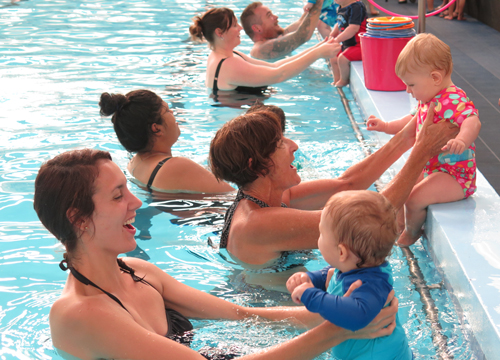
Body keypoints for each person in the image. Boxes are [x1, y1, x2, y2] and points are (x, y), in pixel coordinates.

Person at [33, 149, 400, 360]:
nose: (134, 203)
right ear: (78, 220)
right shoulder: (80, 314)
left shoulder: (138, 270)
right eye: (117, 196)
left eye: (127, 191)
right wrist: (337, 331)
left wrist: (338, 310)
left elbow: (242, 314)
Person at [209, 104, 458, 270]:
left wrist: (409, 134)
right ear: (257, 165)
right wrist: (423, 151)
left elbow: (347, 184)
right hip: (277, 331)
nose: (293, 145)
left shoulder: (270, 196)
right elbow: (373, 217)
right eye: (279, 143)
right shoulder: (255, 223)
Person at [366, 33, 481, 247]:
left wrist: (462, 141)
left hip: (455, 176)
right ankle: (399, 224)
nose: (407, 90)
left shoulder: (454, 99)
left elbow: (472, 121)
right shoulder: (429, 98)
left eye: (411, 84)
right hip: (434, 168)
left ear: (435, 78)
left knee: (414, 198)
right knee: (400, 188)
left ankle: (411, 232)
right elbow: (411, 121)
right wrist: (385, 126)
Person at [287, 190, 412, 360]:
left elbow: (357, 315)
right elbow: (332, 275)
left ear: (341, 252)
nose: (319, 237)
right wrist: (311, 279)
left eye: (321, 233)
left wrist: (312, 295)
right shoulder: (353, 268)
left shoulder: (371, 285)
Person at [99, 89, 234, 193]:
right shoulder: (177, 166)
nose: (173, 112)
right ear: (156, 129)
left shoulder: (135, 163)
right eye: (167, 111)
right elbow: (232, 196)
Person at [189, 7, 340, 99]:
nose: (240, 28)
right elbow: (278, 75)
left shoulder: (228, 55)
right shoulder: (228, 64)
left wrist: (318, 48)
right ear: (219, 32)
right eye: (235, 25)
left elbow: (274, 66)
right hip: (240, 139)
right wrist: (317, 54)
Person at [240, 0, 325, 59]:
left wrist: (313, 3)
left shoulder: (276, 37)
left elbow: (300, 23)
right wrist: (318, 1)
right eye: (269, 15)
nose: (276, 17)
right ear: (257, 28)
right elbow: (303, 35)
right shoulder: (261, 49)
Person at [329, 0, 367, 87]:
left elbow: (353, 28)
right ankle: (336, 80)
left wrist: (337, 39)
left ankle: (343, 80)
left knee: (342, 59)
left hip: (360, 46)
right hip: (349, 45)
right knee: (333, 56)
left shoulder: (356, 7)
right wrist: (332, 35)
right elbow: (339, 23)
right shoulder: (341, 6)